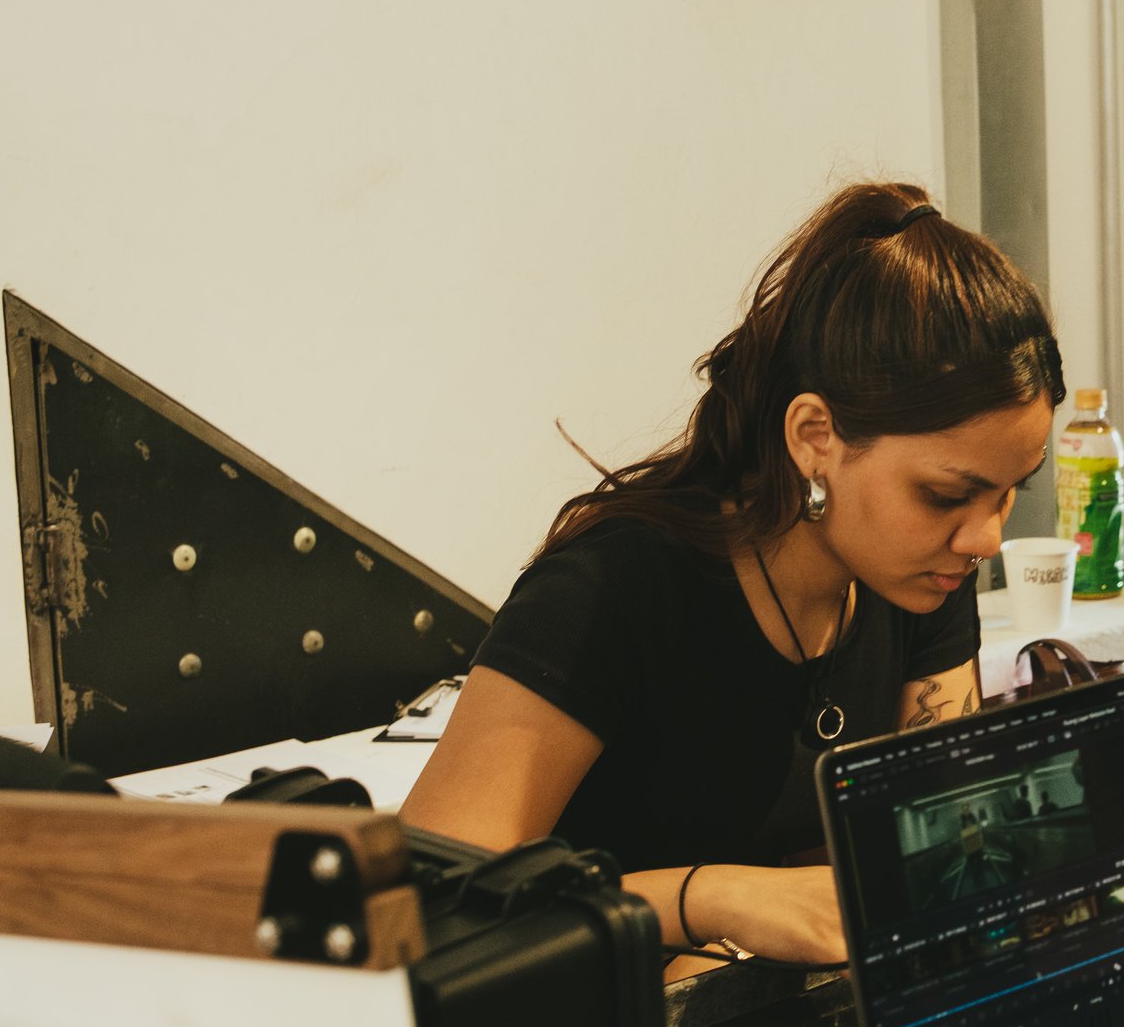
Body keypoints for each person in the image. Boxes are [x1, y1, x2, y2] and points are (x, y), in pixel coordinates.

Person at [403, 183, 1064, 969]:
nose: (985, 535)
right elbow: (428, 909)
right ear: (815, 435)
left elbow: (945, 844)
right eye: (947, 494)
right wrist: (706, 897)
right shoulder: (609, 595)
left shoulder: (919, 574)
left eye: (1010, 489)